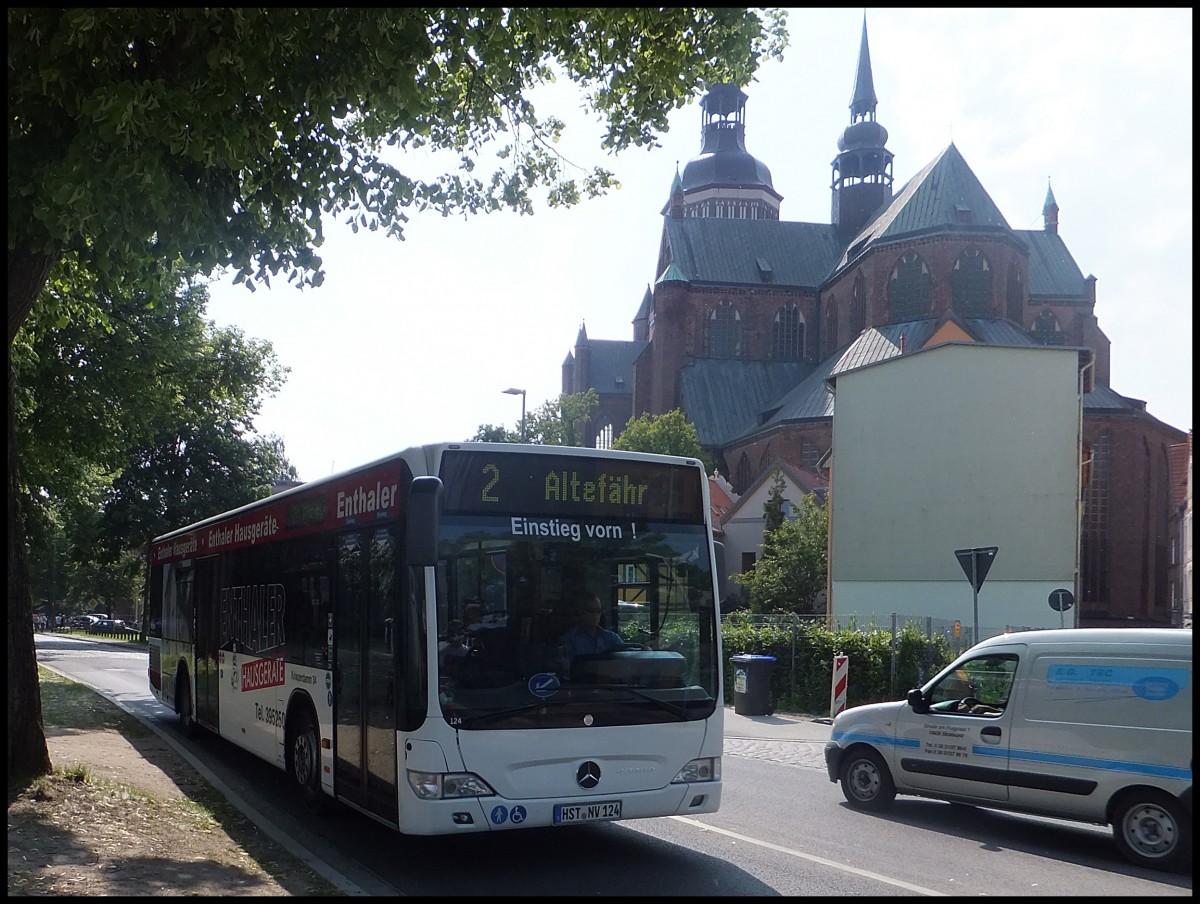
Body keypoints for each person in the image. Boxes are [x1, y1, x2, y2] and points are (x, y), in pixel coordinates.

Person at [559, 592, 623, 666]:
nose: (595, 615)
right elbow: (566, 667)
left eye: (598, 611)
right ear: (581, 612)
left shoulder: (612, 638)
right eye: (591, 611)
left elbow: (625, 657)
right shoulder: (570, 638)